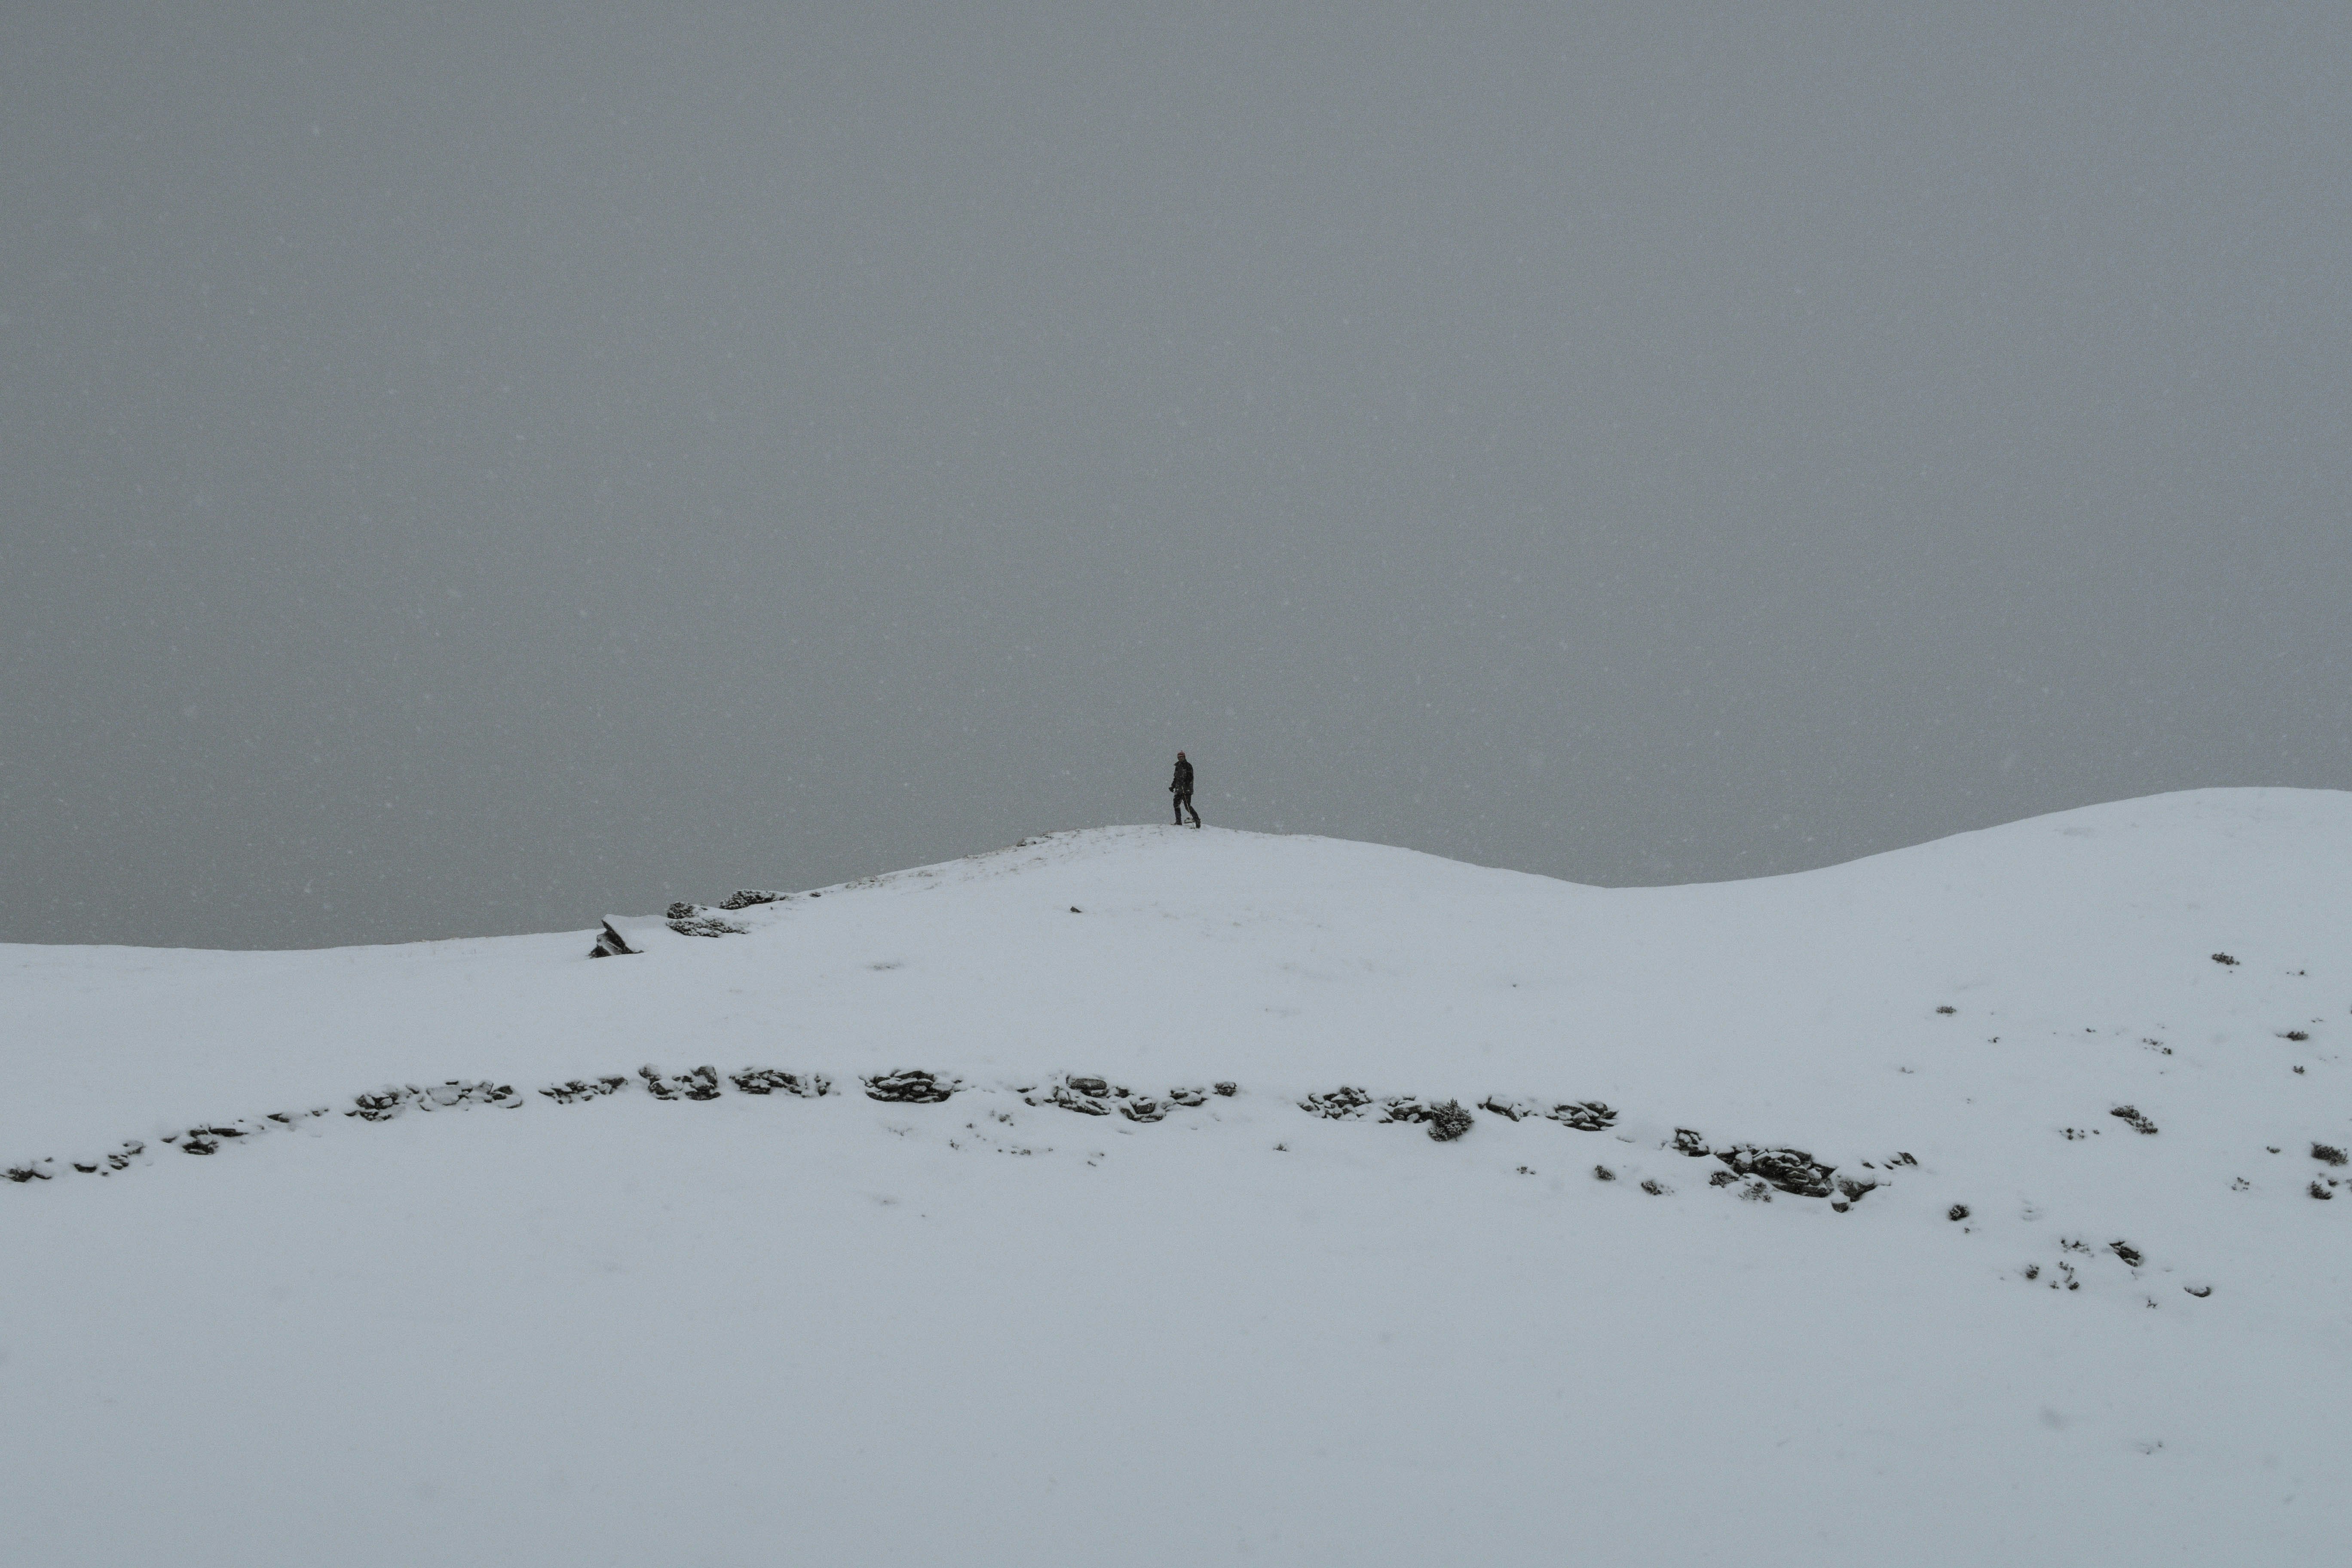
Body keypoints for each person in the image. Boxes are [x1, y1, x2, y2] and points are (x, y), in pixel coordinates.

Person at [1169, 750, 1200, 828]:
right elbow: (1176, 778)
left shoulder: (1188, 766)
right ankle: (1178, 821)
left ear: (1185, 757)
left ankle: (1197, 820)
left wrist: (1186, 783)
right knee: (1176, 804)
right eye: (1179, 757)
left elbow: (1190, 777)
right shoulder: (1177, 767)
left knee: (1187, 806)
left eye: (1182, 757)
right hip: (1179, 789)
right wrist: (1173, 786)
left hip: (1187, 789)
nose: (1181, 758)